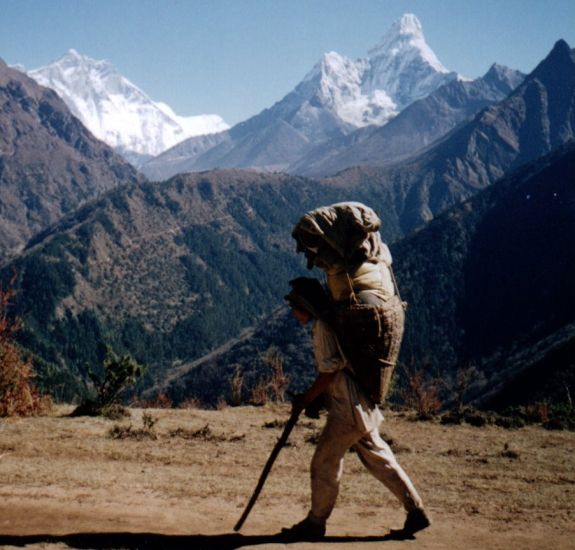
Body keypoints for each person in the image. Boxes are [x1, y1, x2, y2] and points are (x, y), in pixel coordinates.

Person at [281, 277, 430, 541]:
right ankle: (415, 509)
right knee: (379, 457)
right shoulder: (332, 324)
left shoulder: (323, 329)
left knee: (324, 462)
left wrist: (307, 398)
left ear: (306, 306)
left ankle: (316, 523)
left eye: (296, 307)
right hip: (362, 401)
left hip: (347, 407)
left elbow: (329, 372)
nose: (294, 313)